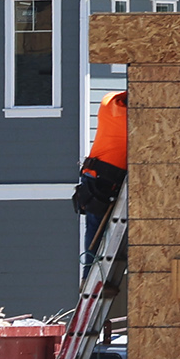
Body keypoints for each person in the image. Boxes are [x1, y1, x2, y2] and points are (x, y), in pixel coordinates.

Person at [73, 90, 127, 261]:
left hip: (92, 175)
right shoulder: (131, 119)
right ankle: (89, 273)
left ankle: (88, 273)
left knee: (94, 228)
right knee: (96, 228)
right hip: (103, 181)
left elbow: (116, 95)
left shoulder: (107, 104)